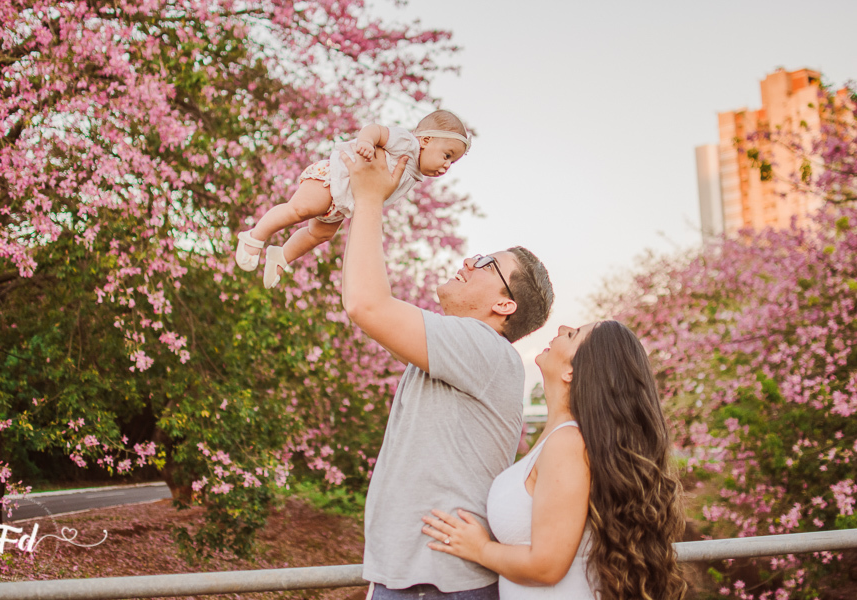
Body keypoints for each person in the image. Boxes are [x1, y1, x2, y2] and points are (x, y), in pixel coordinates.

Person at [339, 147, 554, 599]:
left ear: (504, 305)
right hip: (414, 580)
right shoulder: (463, 350)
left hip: (435, 585)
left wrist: (370, 197)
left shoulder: (483, 347)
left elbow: (366, 303)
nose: (468, 261)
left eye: (485, 264)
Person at [422, 320, 688, 600]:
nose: (561, 329)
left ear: (572, 371)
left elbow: (547, 567)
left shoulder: (567, 444)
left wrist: (480, 549)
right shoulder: (560, 440)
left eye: (572, 335)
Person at [234, 109, 470, 289]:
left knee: (321, 234)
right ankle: (254, 236)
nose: (447, 165)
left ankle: (282, 255)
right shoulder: (407, 143)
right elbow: (375, 129)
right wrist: (366, 142)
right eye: (447, 155)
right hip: (334, 179)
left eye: (453, 162)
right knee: (301, 209)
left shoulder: (414, 173)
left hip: (342, 203)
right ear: (426, 141)